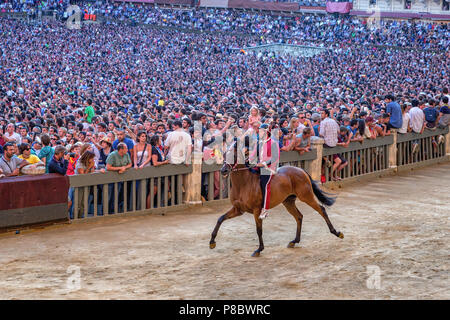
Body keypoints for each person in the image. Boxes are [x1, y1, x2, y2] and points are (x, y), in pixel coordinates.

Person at [253, 123, 280, 220]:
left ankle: (265, 209)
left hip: (269, 168)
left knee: (265, 185)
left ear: (266, 132)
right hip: (259, 166)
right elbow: (254, 154)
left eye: (260, 131)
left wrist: (263, 164)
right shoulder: (260, 142)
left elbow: (275, 157)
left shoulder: (273, 142)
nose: (259, 132)